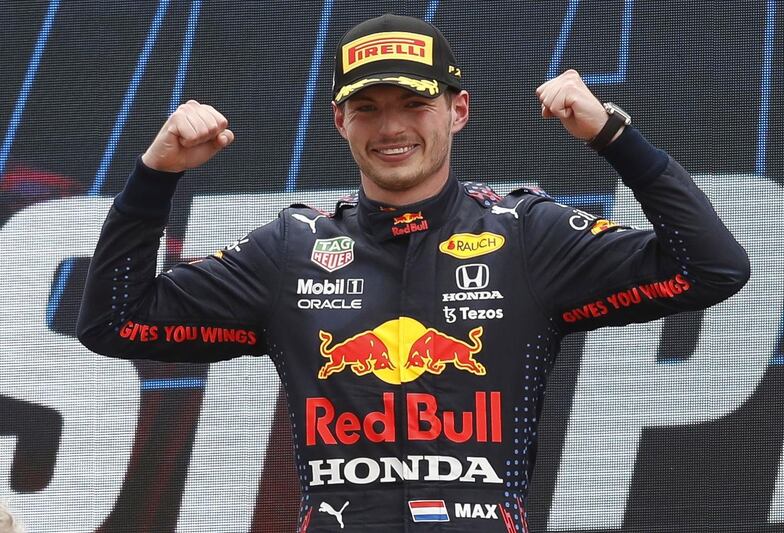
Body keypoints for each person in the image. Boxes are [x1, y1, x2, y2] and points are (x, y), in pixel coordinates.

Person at [77, 13, 749, 533]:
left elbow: (712, 265)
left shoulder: (527, 233)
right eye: (368, 107)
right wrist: (154, 174)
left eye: (414, 104)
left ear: (457, 110)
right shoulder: (292, 248)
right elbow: (116, 319)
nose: (390, 127)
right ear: (340, 120)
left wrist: (612, 135)